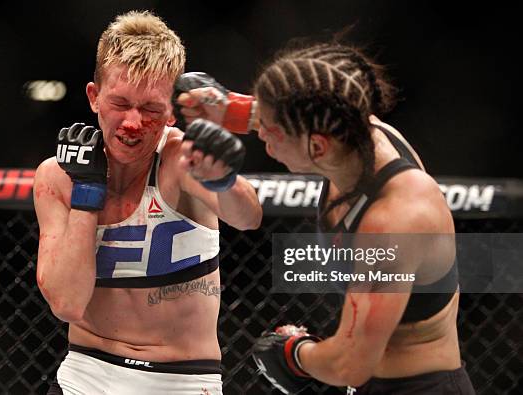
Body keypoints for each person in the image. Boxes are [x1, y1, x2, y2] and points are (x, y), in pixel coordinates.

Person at [176, 43, 475, 394]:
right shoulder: (349, 133)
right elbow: (308, 109)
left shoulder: (395, 220)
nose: (262, 134)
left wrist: (293, 353)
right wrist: (233, 111)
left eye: (273, 130)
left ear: (317, 147)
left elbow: (349, 363)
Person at [33, 11, 262, 395]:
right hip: (85, 374)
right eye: (120, 103)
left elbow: (248, 216)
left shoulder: (180, 161)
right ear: (94, 98)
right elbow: (67, 304)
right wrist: (87, 195)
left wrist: (221, 176)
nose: (133, 122)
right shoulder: (58, 177)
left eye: (151, 109)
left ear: (172, 111)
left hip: (181, 380)